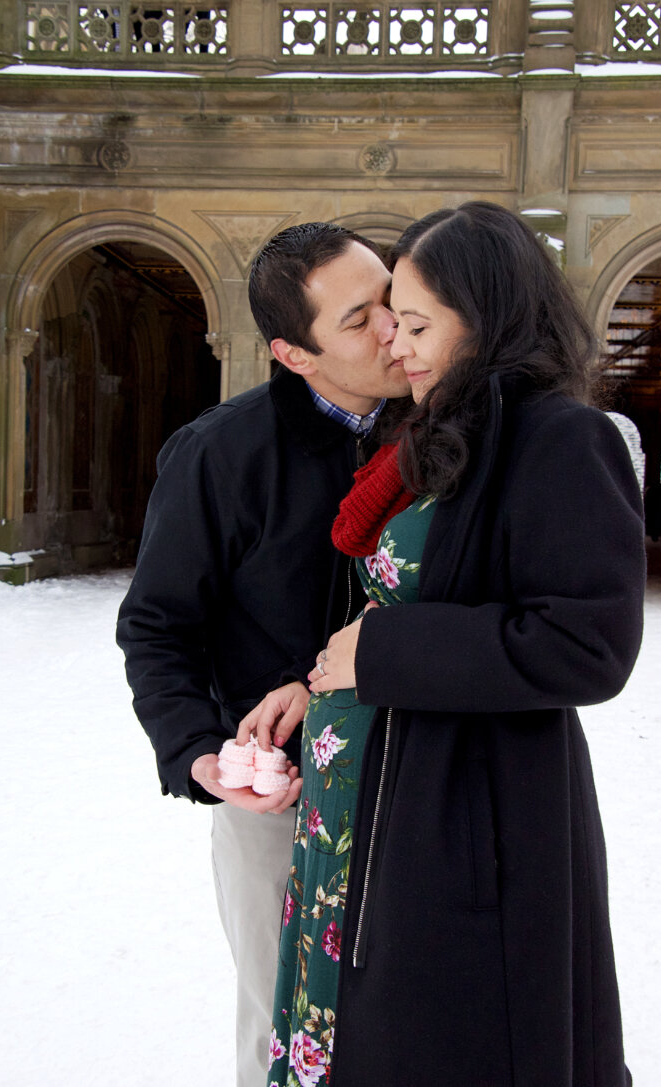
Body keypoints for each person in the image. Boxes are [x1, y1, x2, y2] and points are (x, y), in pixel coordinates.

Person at [243, 202, 645, 1087]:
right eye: (392, 319)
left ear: (489, 314)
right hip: (365, 813)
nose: (398, 342)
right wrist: (324, 683)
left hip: (465, 816)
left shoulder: (560, 441)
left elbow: (588, 643)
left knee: (444, 1041)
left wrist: (383, 652)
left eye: (418, 323)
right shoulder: (438, 438)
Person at [116, 221, 410, 1087]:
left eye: (390, 297)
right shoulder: (219, 454)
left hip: (424, 776)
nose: (393, 325)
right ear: (293, 353)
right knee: (287, 1024)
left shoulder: (441, 432)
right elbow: (156, 626)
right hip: (279, 796)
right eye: (359, 318)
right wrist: (200, 754)